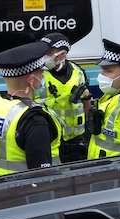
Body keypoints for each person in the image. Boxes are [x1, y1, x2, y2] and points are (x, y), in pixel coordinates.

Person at [0, 42, 61, 177]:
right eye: (41, 73)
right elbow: (42, 176)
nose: (43, 78)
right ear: (31, 79)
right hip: (27, 194)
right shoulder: (34, 120)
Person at [36, 33, 90, 162]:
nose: (44, 55)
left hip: (75, 141)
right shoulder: (37, 74)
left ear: (63, 54)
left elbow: (85, 101)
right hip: (49, 140)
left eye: (48, 52)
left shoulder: (78, 72)